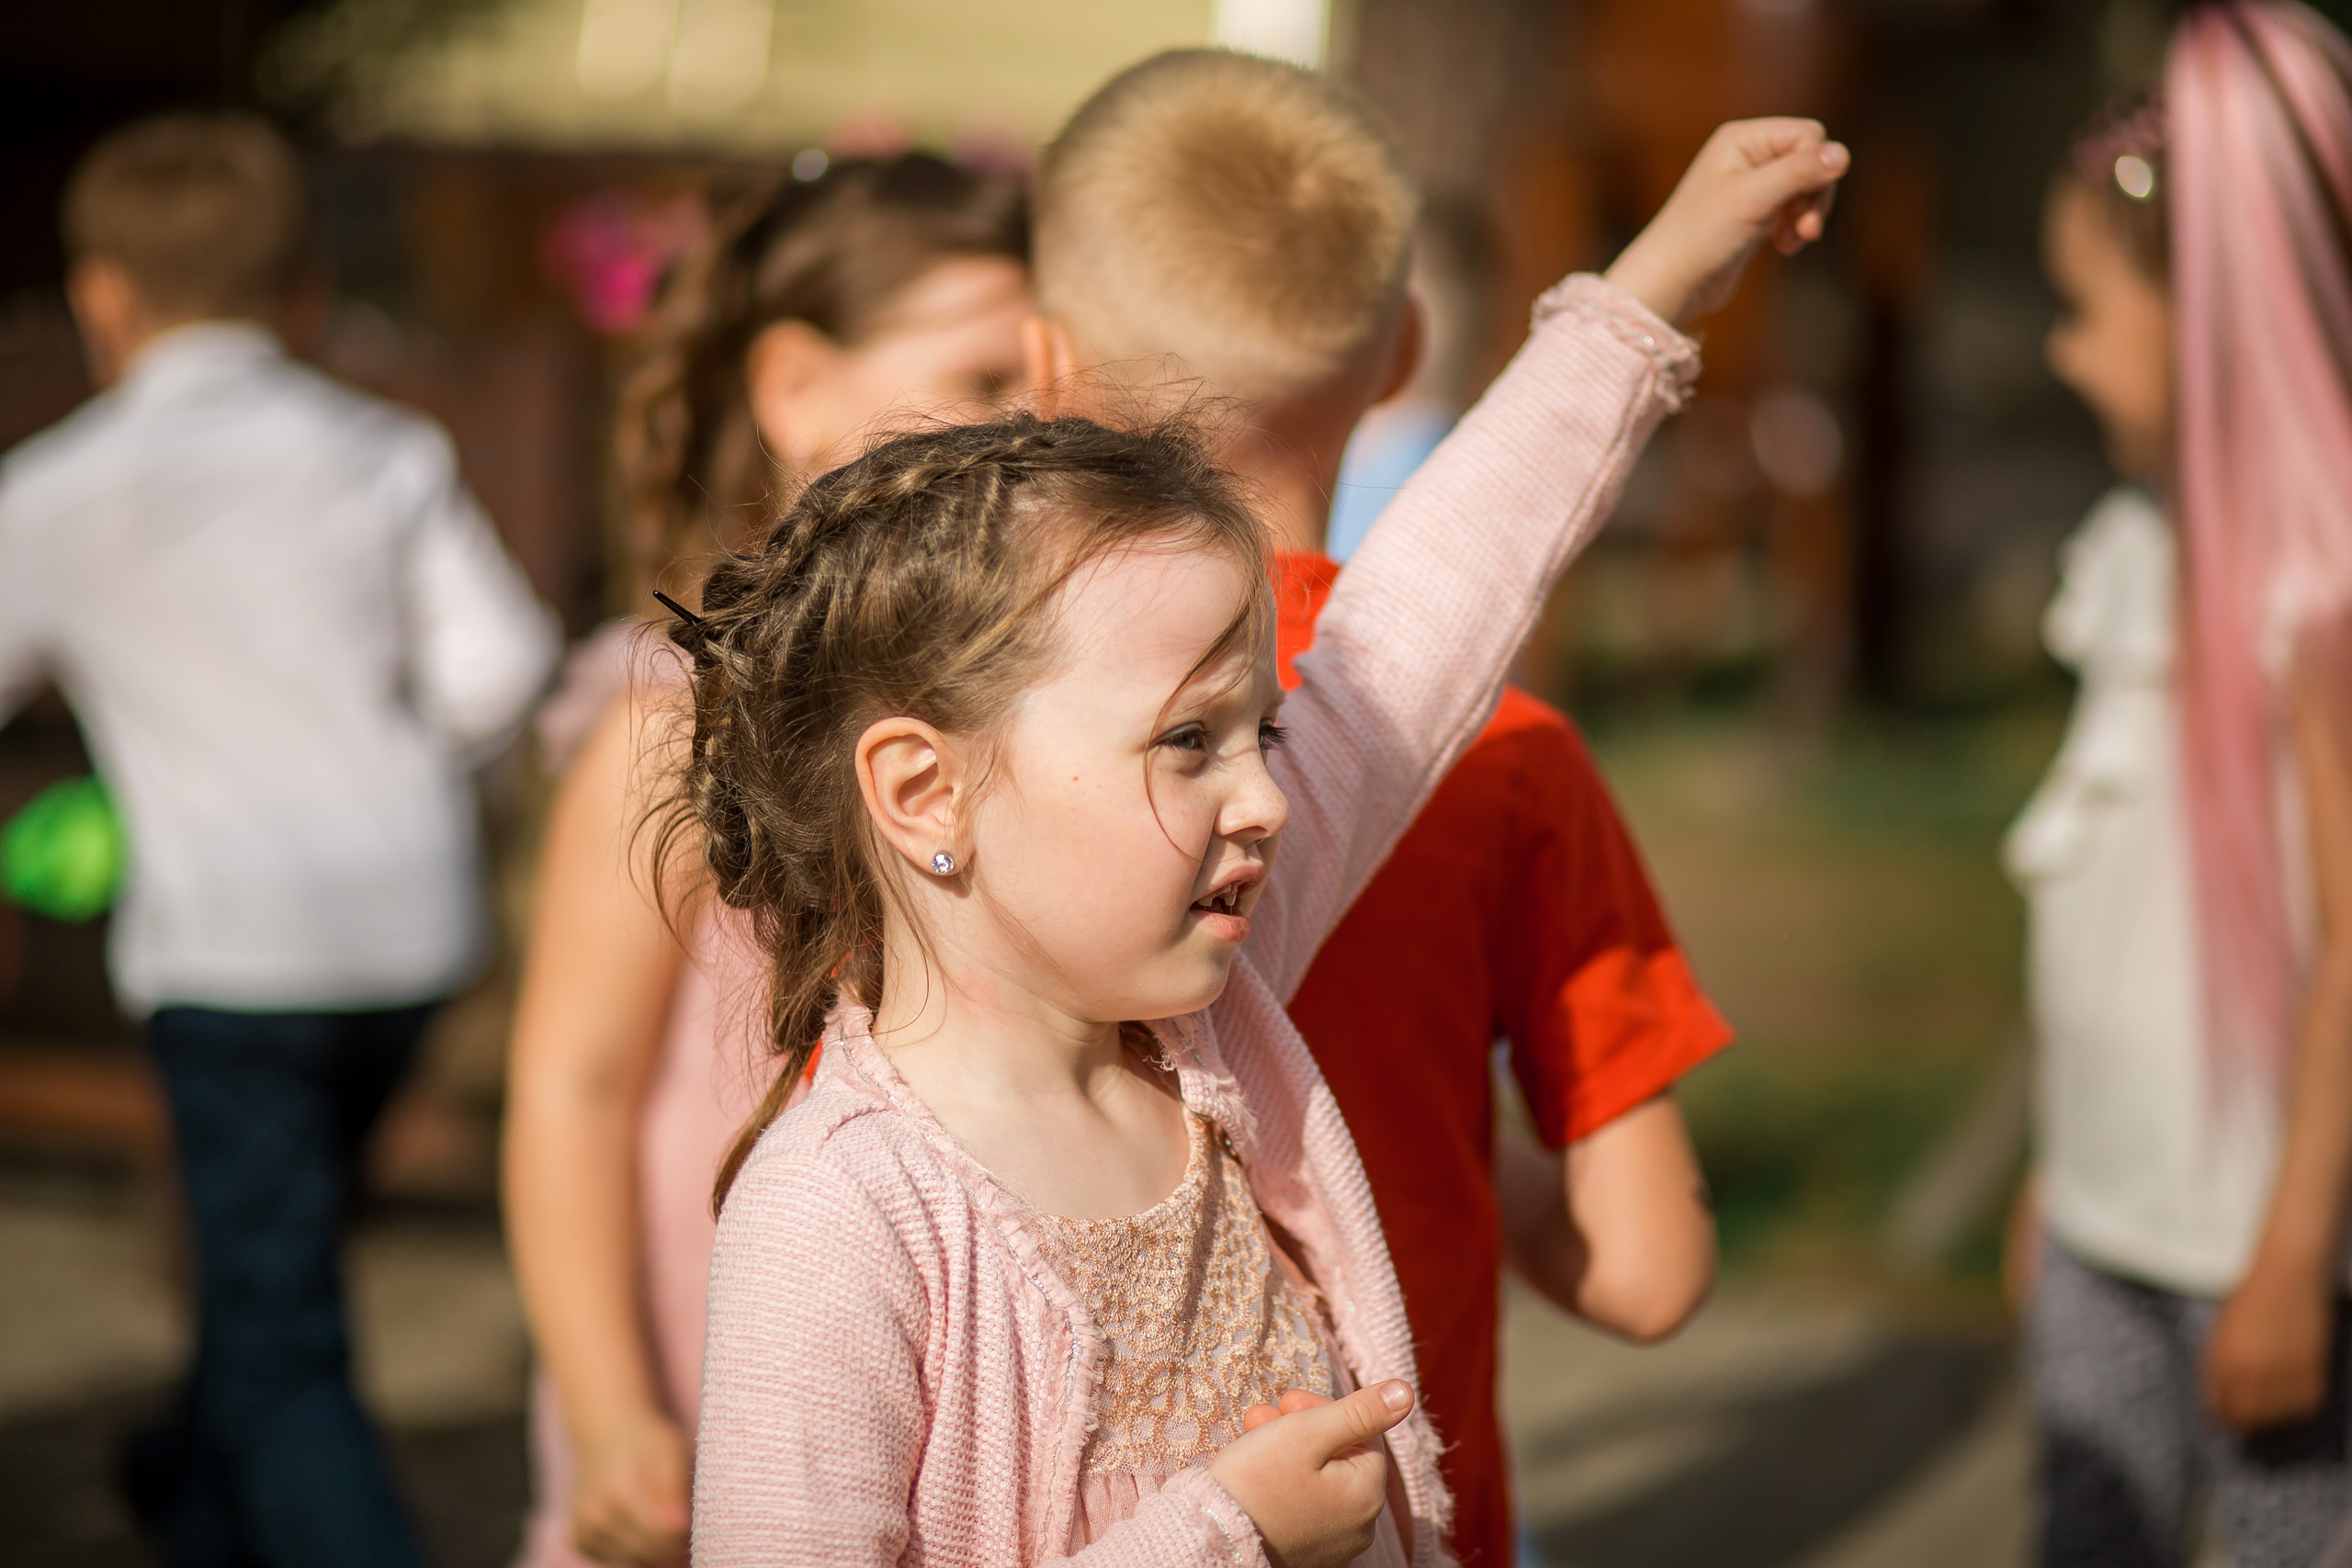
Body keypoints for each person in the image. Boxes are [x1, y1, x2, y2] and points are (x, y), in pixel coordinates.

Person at [684, 52, 1846, 1566]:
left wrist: (1655, 286)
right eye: (1190, 743)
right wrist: (1227, 1535)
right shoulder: (835, 1217)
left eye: (1272, 733)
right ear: (923, 789)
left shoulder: (1214, 1038)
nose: (1270, 803)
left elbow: (1433, 609)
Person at [1023, 52, 1727, 1567]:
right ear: (1404, 348)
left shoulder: (1000, 731)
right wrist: (1458, 1154)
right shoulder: (1513, 758)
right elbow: (1650, 1271)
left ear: (1045, 361)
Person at [0, 115, 559, 1568]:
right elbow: (502, 669)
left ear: (100, 294)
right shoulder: (382, 450)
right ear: (305, 294)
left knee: (280, 1323)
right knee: (274, 1267)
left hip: (233, 952)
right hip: (411, 932)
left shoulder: (56, 488)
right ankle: (184, 1490)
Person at [503, 153, 1031, 1568]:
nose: (1031, 424)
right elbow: (571, 1087)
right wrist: (612, 1412)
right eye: (984, 377)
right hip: (708, 1388)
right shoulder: (670, 728)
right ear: (795, 388)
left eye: (1048, 380)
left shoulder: (1014, 711)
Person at [2006, 6, 2352, 1563]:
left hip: (2261, 1248)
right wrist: (2059, 1168)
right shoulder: (2133, 547)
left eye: (2083, 307)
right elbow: (2105, 899)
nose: (2062, 349)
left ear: (2210, 315)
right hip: (2108, 1216)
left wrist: (2294, 1256)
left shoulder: (2312, 604)